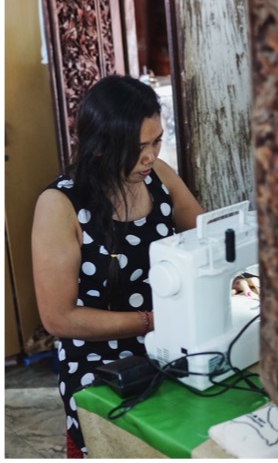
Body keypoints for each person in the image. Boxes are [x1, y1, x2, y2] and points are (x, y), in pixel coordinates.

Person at [31, 75, 205, 457]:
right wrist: (151, 321)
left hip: (168, 337)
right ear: (99, 147)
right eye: (137, 147)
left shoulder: (160, 177)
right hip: (98, 358)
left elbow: (205, 239)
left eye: (157, 141)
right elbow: (58, 318)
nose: (150, 157)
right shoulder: (60, 206)